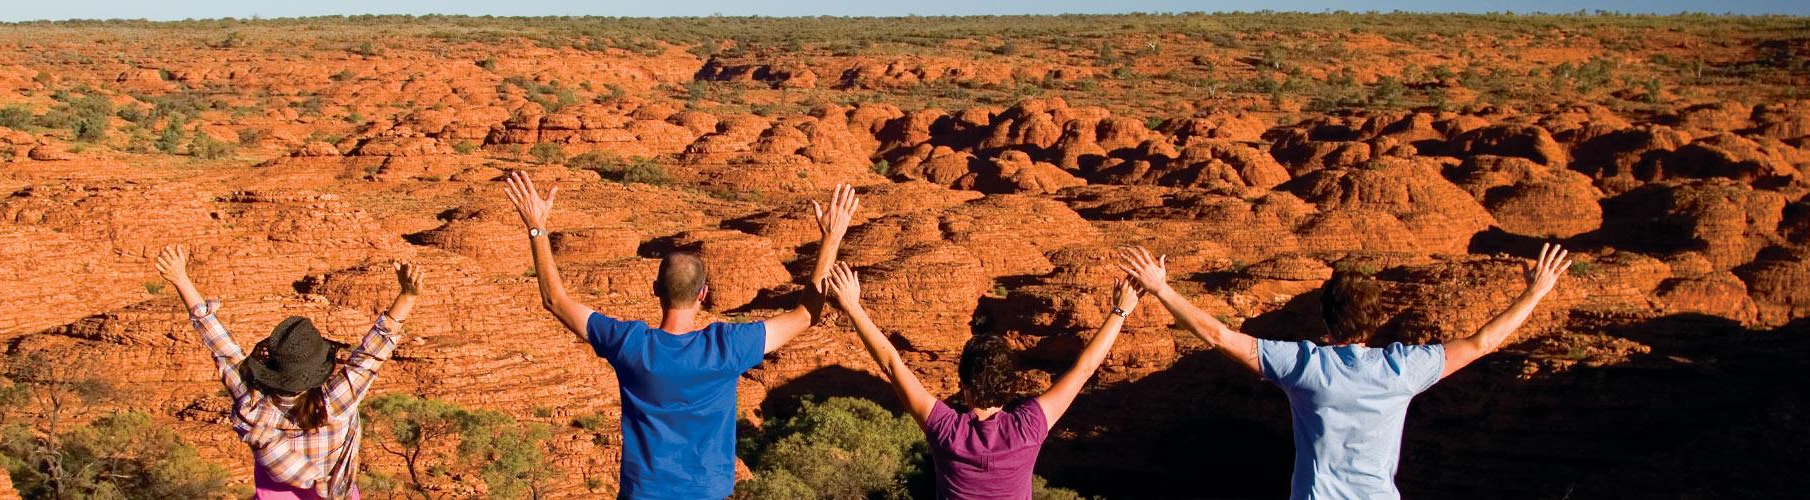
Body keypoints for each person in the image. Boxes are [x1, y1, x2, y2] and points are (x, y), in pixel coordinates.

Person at [500, 170, 858, 499]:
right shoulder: (726, 347)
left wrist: (537, 227)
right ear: (703, 293)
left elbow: (555, 300)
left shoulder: (630, 345)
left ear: (656, 289)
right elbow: (805, 315)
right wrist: (831, 238)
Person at [1116, 244, 1572, 499]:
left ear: (1326, 318)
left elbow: (1218, 335)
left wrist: (1161, 290)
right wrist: (1536, 292)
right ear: (1374, 320)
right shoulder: (1402, 369)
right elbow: (1482, 342)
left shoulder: (1305, 367)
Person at [819, 260, 1143, 499]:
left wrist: (851, 305)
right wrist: (1120, 311)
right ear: (1010, 385)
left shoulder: (947, 430)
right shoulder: (1028, 426)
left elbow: (891, 364)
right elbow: (1083, 369)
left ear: (964, 385)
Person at [155, 245, 425, 499]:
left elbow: (221, 346)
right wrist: (407, 295)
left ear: (272, 365)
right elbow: (372, 353)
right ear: (318, 368)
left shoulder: (251, 401)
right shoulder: (335, 402)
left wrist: (181, 280)